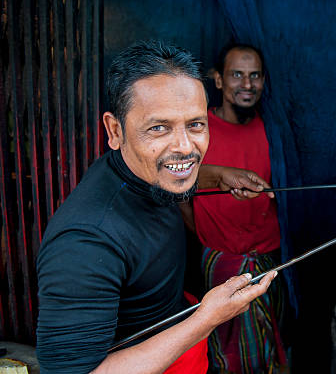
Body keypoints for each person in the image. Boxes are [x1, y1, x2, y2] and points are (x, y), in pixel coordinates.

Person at [36, 40, 278, 374]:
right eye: (159, 127)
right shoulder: (84, 244)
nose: (184, 147)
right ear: (115, 130)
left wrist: (216, 176)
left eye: (195, 124)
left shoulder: (145, 171)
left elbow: (169, 172)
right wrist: (206, 320)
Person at [180, 44, 291, 373]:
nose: (247, 84)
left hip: (271, 260)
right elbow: (179, 185)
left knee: (273, 346)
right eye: (237, 75)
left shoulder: (274, 132)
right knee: (234, 359)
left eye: (254, 75)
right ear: (218, 80)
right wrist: (208, 235)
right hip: (221, 262)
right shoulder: (199, 132)